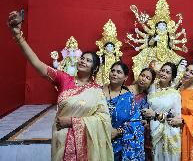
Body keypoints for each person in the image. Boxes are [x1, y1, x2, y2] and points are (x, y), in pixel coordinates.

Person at [7, 11, 113, 161]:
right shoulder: (64, 78)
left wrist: (72, 122)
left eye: (88, 61)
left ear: (94, 68)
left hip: (87, 148)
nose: (83, 61)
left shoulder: (96, 91)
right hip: (62, 142)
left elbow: (103, 119)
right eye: (82, 58)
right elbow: (37, 64)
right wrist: (19, 36)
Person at [103, 61, 145, 160]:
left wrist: (117, 131)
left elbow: (136, 123)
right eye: (112, 71)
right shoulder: (98, 92)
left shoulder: (129, 98)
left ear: (125, 77)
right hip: (96, 139)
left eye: (119, 72)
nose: (114, 73)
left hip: (119, 146)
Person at [142, 62, 181, 161]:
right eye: (162, 70)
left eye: (168, 72)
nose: (164, 73)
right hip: (149, 130)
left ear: (172, 77)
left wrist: (155, 114)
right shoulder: (151, 87)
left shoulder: (175, 94)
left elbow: (175, 118)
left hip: (168, 134)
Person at [129, 68, 156, 161]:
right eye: (142, 75)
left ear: (151, 82)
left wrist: (146, 122)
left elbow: (144, 117)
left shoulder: (146, 97)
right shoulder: (126, 90)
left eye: (148, 78)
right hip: (122, 130)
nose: (143, 79)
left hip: (137, 135)